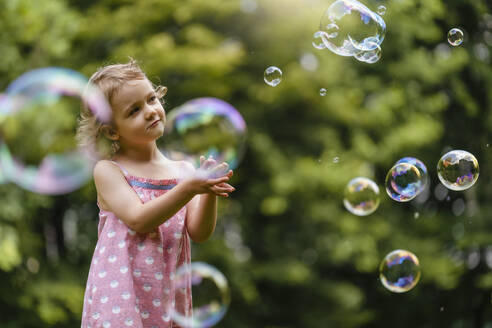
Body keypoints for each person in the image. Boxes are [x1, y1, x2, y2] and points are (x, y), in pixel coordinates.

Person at [76, 59, 235, 328]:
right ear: (112, 131)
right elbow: (139, 219)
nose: (150, 111)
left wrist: (208, 191)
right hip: (119, 295)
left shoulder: (184, 171)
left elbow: (199, 232)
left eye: (151, 99)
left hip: (167, 296)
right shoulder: (109, 171)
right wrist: (189, 188)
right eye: (134, 110)